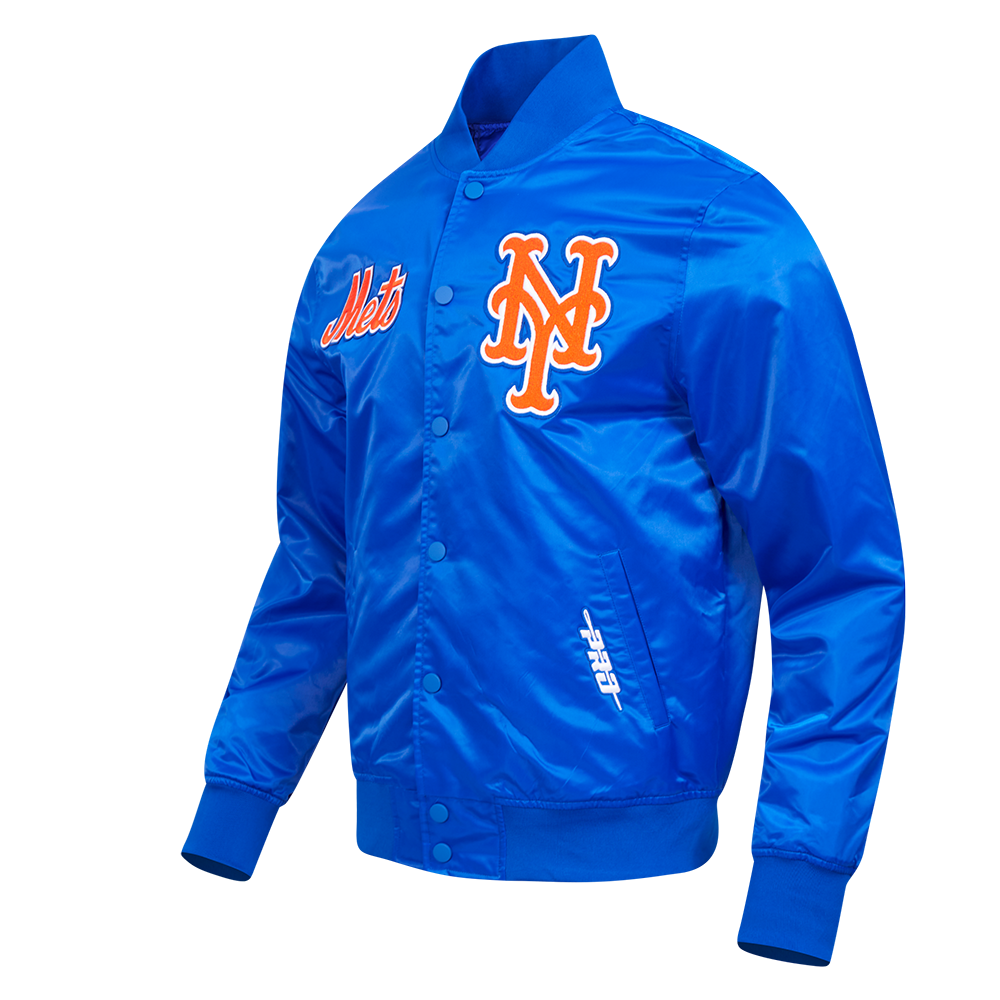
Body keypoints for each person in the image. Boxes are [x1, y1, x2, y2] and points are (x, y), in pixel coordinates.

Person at [182, 34, 904, 967]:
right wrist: (236, 801)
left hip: (637, 886)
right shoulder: (365, 241)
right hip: (373, 865)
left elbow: (838, 568)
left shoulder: (712, 226)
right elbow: (320, 552)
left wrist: (798, 873)